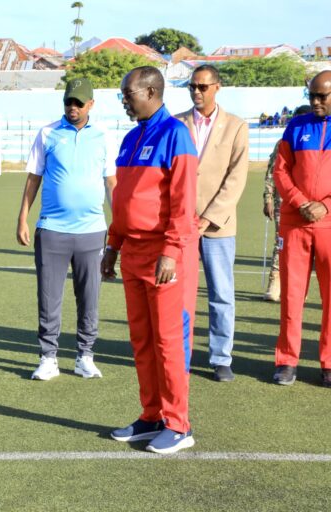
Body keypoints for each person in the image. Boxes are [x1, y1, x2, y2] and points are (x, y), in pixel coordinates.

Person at [101, 66, 198, 454]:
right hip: (132, 254)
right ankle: (152, 415)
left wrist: (171, 251)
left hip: (163, 255)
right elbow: (124, 201)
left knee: (168, 342)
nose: (124, 99)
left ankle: (179, 424)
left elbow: (183, 202)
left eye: (129, 94)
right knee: (141, 340)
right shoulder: (129, 137)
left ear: (153, 91)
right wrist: (113, 246)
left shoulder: (176, 134)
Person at [17, 77, 116, 381]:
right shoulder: (47, 133)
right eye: (68, 102)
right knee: (49, 298)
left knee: (89, 297)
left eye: (79, 103)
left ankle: (85, 355)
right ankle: (48, 358)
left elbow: (111, 182)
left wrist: (120, 222)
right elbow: (34, 178)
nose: (72, 108)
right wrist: (22, 218)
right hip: (52, 229)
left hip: (92, 230)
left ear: (91, 105)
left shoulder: (104, 136)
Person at [175, 64, 249, 383]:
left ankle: (221, 357)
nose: (197, 92)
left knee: (221, 293)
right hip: (183, 225)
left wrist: (208, 217)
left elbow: (236, 179)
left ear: (217, 87)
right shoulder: (177, 123)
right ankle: (180, 354)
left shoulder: (236, 126)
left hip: (218, 226)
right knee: (180, 294)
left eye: (203, 87)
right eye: (192, 86)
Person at [272, 70, 331, 387]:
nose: (316, 102)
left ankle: (329, 363)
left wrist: (325, 206)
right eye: (312, 96)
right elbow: (281, 171)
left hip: (329, 225)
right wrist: (300, 201)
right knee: (292, 297)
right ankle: (286, 361)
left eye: (322, 96)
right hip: (295, 222)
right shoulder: (296, 126)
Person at [262, 104, 313, 302]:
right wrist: (267, 197)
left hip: (311, 202)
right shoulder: (283, 143)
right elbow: (272, 173)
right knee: (281, 243)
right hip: (283, 201)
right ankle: (275, 284)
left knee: (309, 246)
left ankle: (300, 288)